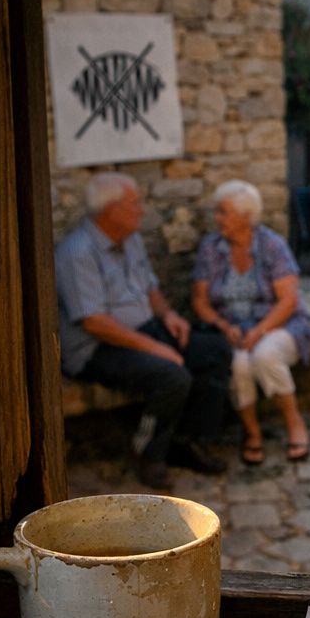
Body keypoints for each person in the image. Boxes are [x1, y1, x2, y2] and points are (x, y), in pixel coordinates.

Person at [55, 172, 231, 490]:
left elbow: (150, 288)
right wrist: (156, 348)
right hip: (96, 348)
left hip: (143, 330)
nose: (143, 210)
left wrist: (169, 315)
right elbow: (94, 322)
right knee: (172, 376)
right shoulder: (77, 252)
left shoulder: (131, 239)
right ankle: (148, 454)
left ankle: (186, 440)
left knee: (215, 350)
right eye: (135, 203)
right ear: (112, 210)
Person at [192, 180, 310, 465]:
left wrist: (260, 331)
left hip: (280, 324)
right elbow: (199, 301)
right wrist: (224, 327)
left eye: (223, 212)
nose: (217, 218)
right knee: (238, 364)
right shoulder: (210, 248)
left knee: (265, 355)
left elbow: (288, 301)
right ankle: (252, 433)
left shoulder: (272, 245)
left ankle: (294, 422)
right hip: (232, 327)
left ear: (245, 216)